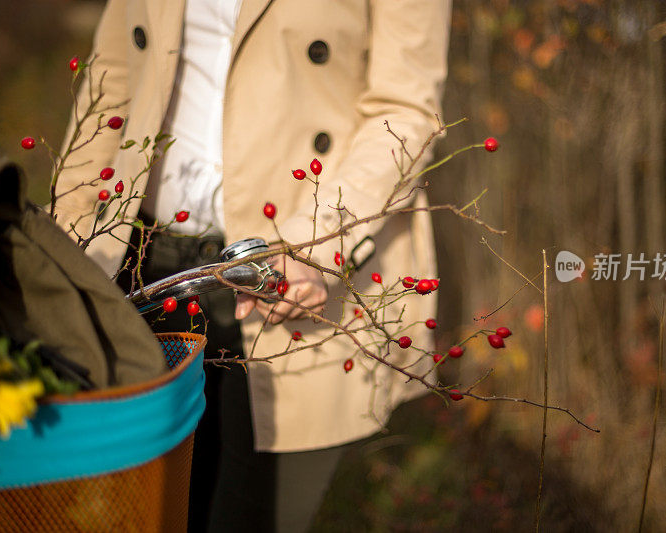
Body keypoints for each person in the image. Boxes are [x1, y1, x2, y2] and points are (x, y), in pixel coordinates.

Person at [56, 0, 451, 531]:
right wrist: (68, 232)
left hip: (290, 277)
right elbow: (114, 72)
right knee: (143, 514)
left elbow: (404, 112)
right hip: (143, 258)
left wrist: (314, 245)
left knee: (252, 515)